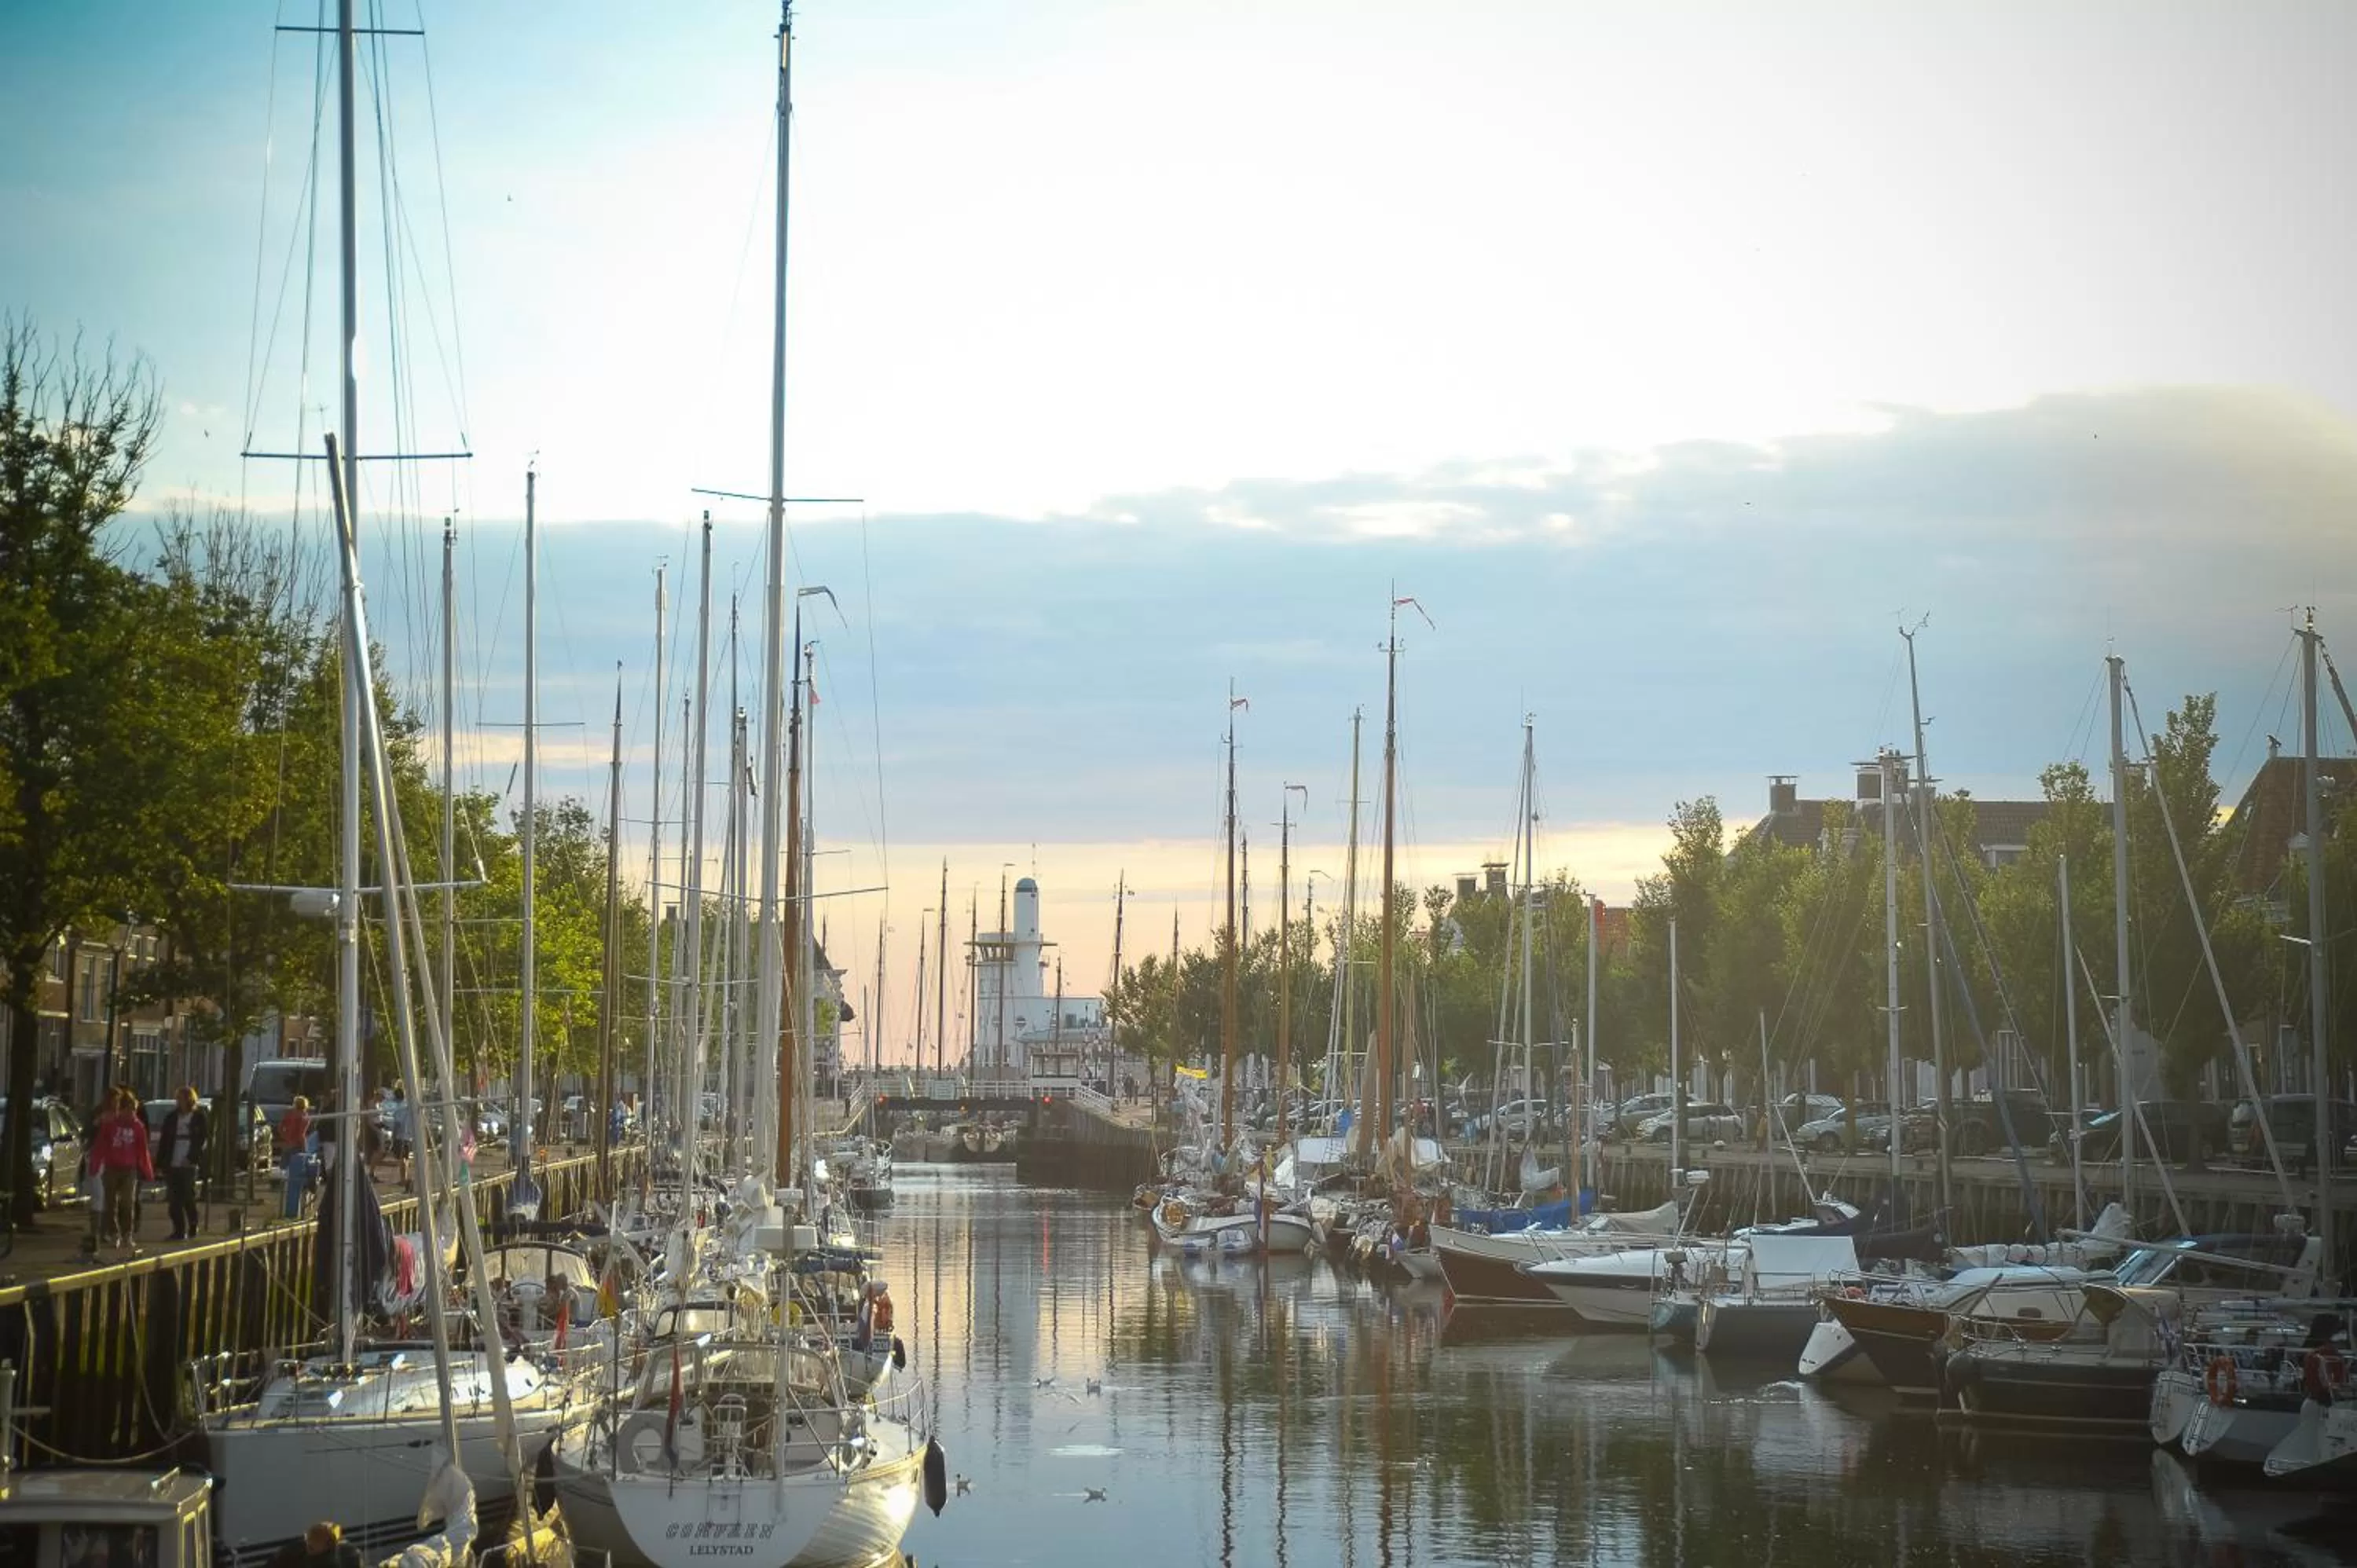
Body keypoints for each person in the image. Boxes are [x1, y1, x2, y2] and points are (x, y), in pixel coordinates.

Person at [86, 1086, 154, 1257]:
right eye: (128, 1110)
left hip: (129, 1169)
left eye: (133, 1110)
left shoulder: (138, 1127)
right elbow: (100, 1146)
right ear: (120, 1110)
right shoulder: (110, 1125)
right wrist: (95, 1165)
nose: (131, 1114)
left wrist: (147, 1170)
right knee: (110, 1203)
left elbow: (143, 1150)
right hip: (111, 1167)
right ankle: (113, 1232)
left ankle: (127, 1234)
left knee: (127, 1202)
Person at [157, 1086, 210, 1241]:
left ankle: (193, 1222)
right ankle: (179, 1230)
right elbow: (164, 1141)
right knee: (174, 1198)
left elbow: (202, 1140)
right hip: (172, 1160)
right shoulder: (171, 1118)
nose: (179, 1102)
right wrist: (160, 1163)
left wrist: (192, 1158)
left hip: (188, 1162)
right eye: (177, 1099)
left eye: (181, 1098)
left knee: (188, 1195)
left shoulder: (198, 1117)